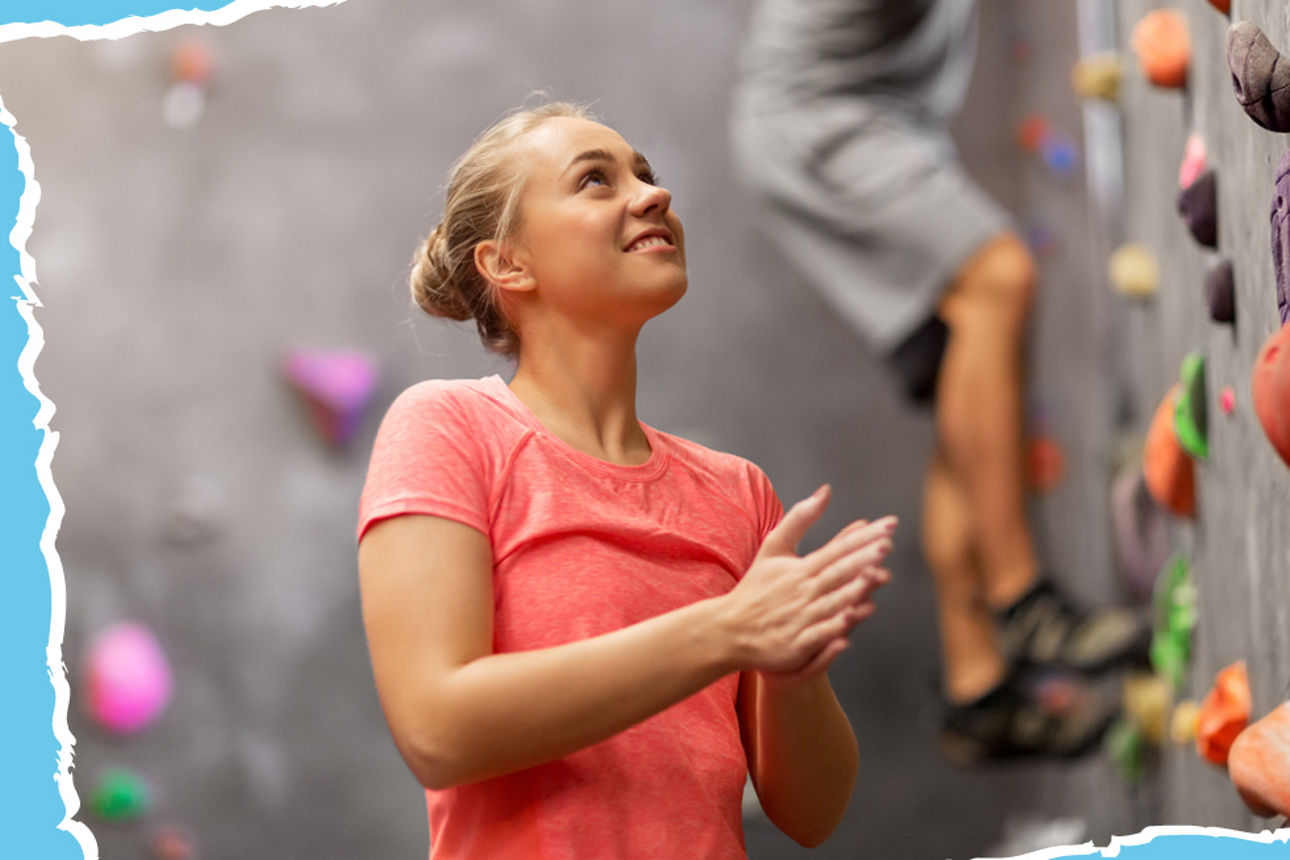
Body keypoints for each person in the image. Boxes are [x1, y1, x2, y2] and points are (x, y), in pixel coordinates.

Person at [356, 102, 897, 858]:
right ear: (508, 263)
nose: (651, 195)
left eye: (645, 174)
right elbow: (437, 730)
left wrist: (794, 665)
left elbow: (811, 812)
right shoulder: (448, 427)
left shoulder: (738, 494)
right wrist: (726, 630)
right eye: (595, 181)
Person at [730, 0, 1149, 763]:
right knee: (999, 275)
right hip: (823, 122)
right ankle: (1022, 600)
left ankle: (978, 686)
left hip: (880, 119)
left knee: (968, 361)